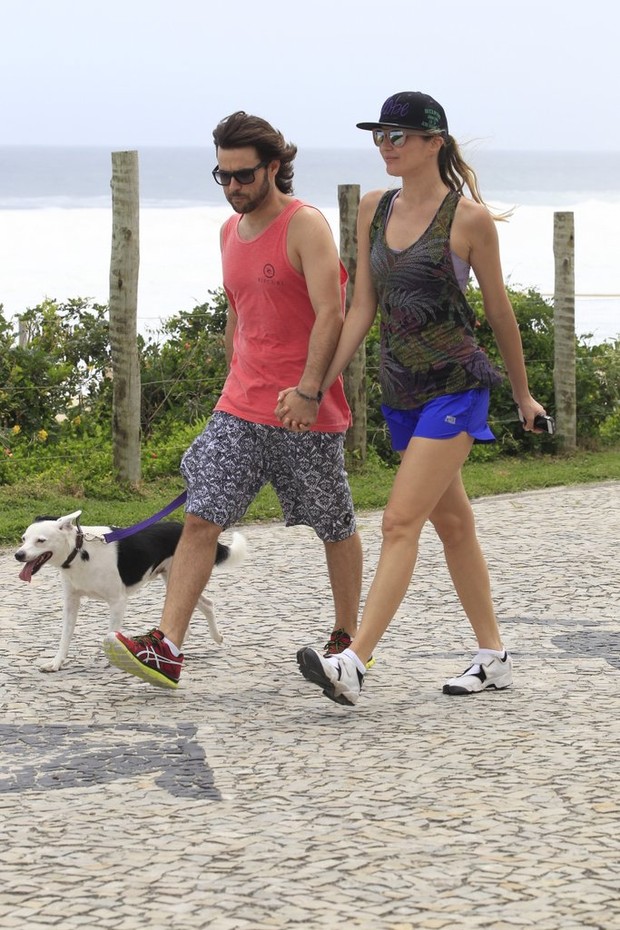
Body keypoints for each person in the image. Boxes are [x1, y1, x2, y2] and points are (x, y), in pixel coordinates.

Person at [278, 91, 548, 706]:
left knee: (401, 521)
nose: (385, 146)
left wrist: (524, 394)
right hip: (402, 389)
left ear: (435, 143)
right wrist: (314, 386)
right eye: (379, 136)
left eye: (398, 136)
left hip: (457, 386)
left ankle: (354, 661)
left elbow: (500, 315)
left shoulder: (468, 220)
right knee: (452, 524)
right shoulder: (373, 207)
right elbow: (362, 306)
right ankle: (493, 655)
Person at [103, 110, 363, 689]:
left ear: (274, 167)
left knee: (334, 523)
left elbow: (333, 313)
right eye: (222, 176)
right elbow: (240, 310)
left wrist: (309, 390)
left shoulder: (306, 225)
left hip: (306, 411)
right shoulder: (229, 232)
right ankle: (168, 647)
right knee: (201, 518)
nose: (234, 188)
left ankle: (346, 640)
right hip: (240, 407)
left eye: (243, 175)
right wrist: (234, 370)